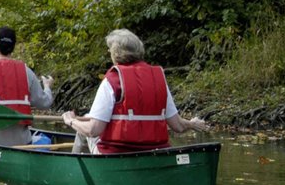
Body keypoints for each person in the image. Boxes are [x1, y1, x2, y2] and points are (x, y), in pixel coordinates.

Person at [62, 28, 209, 154]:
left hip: (117, 153)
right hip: (155, 152)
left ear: (115, 52)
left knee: (83, 128)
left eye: (109, 49)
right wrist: (191, 124)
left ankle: (76, 170)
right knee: (88, 120)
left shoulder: (113, 80)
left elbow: (93, 130)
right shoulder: (158, 78)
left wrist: (71, 121)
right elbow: (177, 125)